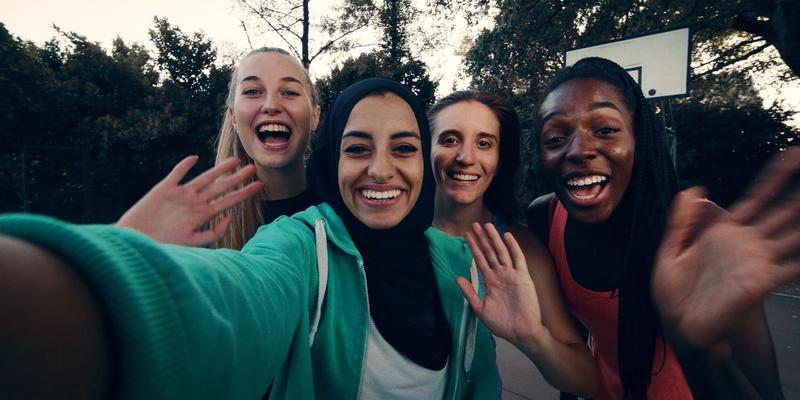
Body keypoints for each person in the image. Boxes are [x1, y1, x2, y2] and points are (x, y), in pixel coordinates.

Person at [0, 78, 502, 399]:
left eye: (404, 147)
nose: (380, 169)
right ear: (331, 160)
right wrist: (112, 262)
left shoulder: (461, 268)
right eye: (357, 148)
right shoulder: (301, 248)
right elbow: (232, 298)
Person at [525, 56, 787, 399]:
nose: (579, 150)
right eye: (556, 137)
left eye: (605, 129)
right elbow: (570, 344)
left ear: (640, 138)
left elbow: (766, 392)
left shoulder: (703, 231)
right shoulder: (545, 217)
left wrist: (697, 349)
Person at [427, 90, 598, 397]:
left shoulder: (519, 248)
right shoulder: (391, 229)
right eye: (450, 139)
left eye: (484, 143)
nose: (466, 157)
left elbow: (584, 380)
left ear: (499, 157)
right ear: (425, 148)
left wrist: (534, 338)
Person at [117, 47, 321, 249]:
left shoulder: (344, 209)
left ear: (314, 117)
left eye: (289, 92)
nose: (271, 105)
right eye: (252, 91)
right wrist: (126, 244)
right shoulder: (201, 225)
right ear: (233, 116)